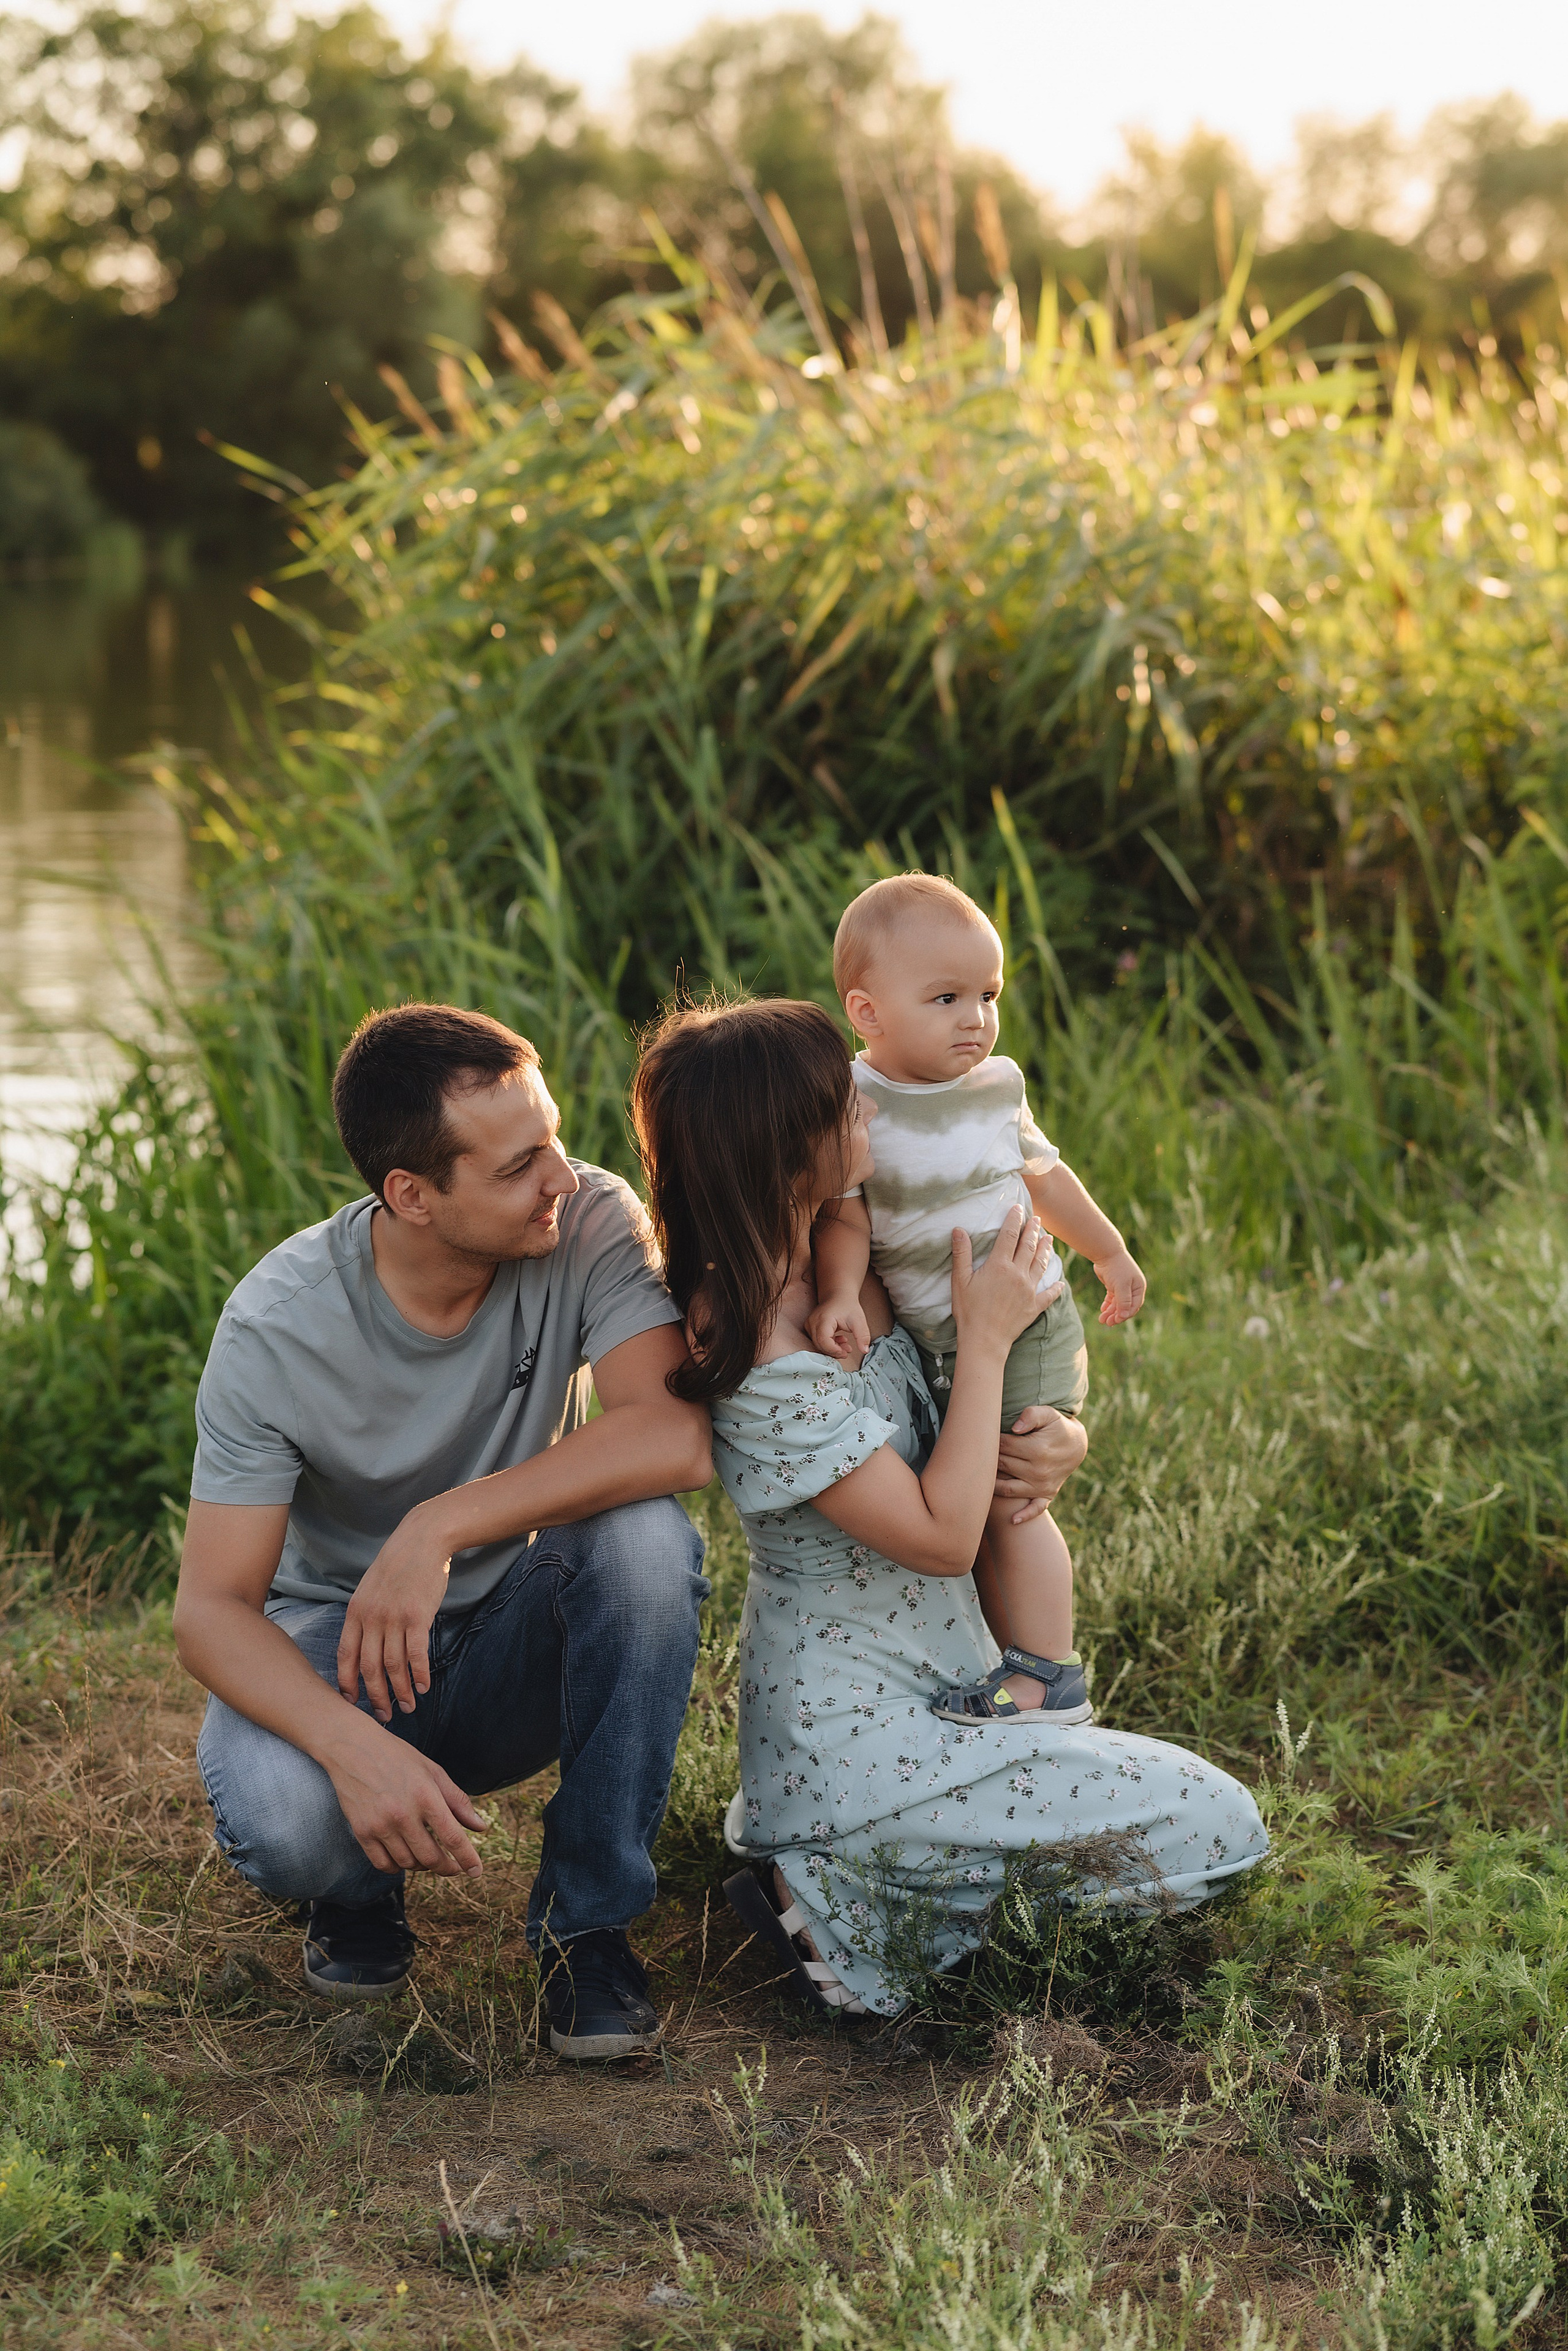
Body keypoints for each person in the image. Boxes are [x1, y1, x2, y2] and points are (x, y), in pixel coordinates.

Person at [630, 996, 1268, 2020]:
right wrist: (985, 1339)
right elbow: (938, 1535)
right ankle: (835, 1892)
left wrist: (1062, 1436)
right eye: (848, 1106)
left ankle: (902, 1896)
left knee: (1204, 1825)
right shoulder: (757, 1348)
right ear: (785, 1153)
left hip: (958, 1692)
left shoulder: (855, 1257)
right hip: (853, 1735)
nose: (872, 1116)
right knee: (1224, 1825)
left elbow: (986, 1439)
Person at [173, 1002, 716, 2061]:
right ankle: (355, 1887)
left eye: (554, 1136)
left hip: (518, 1630)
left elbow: (673, 1439)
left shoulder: (588, 1218)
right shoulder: (277, 1325)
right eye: (518, 1166)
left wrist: (441, 1526)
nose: (560, 1174)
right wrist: (350, 1749)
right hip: (347, 1656)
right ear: (412, 1196)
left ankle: (588, 1931)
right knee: (286, 1820)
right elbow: (209, 1612)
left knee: (648, 1541)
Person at [807, 873, 1147, 1728]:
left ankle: (1048, 1675)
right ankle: (1008, 1660)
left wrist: (1107, 1249)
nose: (977, 1018)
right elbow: (847, 1217)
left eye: (989, 994)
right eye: (948, 996)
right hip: (939, 1335)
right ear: (868, 1010)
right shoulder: (856, 1103)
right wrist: (842, 1290)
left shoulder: (998, 1085)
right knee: (974, 1495)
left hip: (1023, 1315)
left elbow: (1047, 1176)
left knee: (1010, 1498)